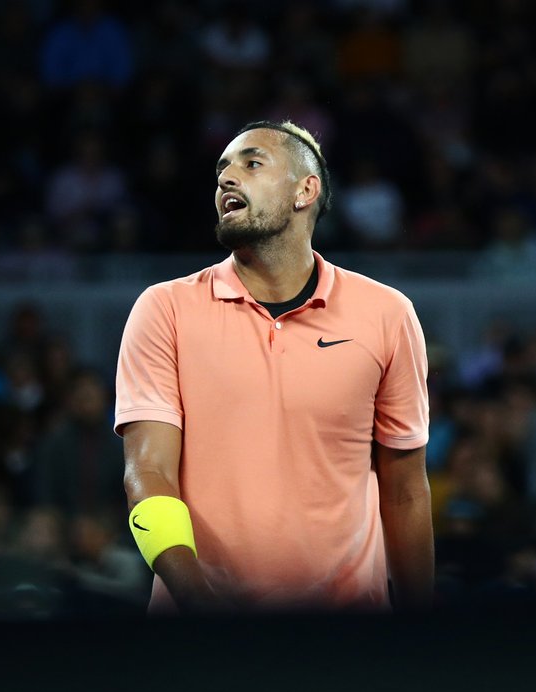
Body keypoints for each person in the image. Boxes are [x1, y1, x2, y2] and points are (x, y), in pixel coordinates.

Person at [114, 120, 434, 615]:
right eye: (221, 169)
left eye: (251, 163)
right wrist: (200, 604)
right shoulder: (164, 309)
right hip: (200, 635)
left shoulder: (388, 314)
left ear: (306, 190)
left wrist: (422, 630)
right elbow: (148, 473)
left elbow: (406, 489)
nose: (226, 178)